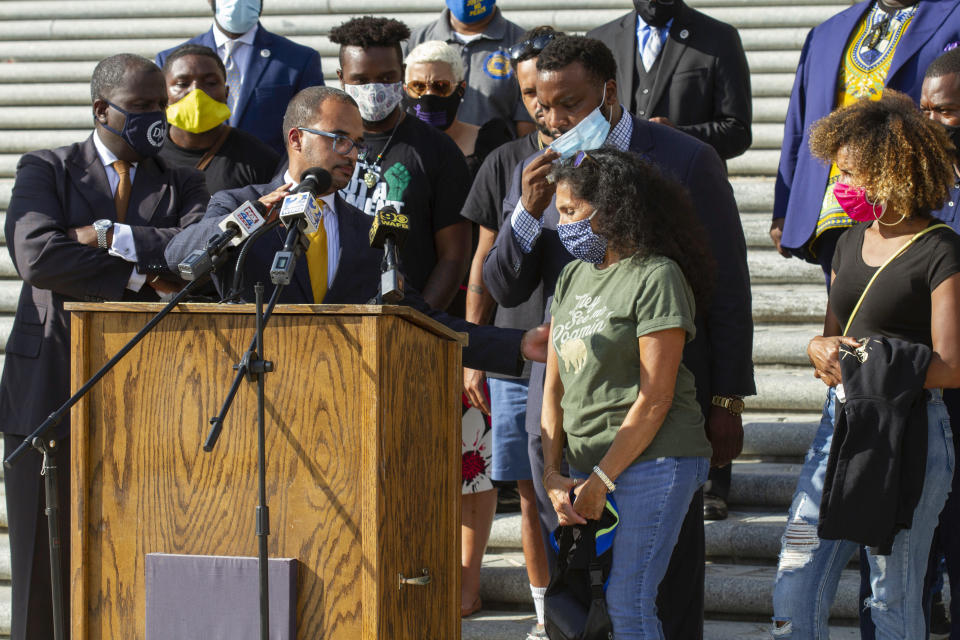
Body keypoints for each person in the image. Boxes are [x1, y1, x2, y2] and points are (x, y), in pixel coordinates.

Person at [482, 35, 755, 640]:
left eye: (569, 105)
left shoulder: (683, 159)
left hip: (655, 416)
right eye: (542, 107)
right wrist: (528, 212)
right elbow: (502, 286)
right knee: (575, 578)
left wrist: (727, 399)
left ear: (608, 94)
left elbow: (728, 288)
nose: (554, 122)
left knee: (660, 584)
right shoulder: (535, 168)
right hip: (564, 402)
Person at [0, 54, 209, 640]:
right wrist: (140, 276)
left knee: (133, 551)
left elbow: (192, 255)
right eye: (142, 107)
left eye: (159, 107)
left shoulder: (183, 180)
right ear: (103, 109)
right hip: (47, 387)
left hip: (146, 389)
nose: (157, 119)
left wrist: (100, 238)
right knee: (42, 567)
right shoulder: (46, 167)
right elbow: (38, 256)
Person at [164, 85, 548, 394]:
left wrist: (516, 344)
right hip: (253, 395)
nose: (352, 154)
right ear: (297, 139)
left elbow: (423, 320)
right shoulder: (239, 205)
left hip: (338, 404)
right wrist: (249, 218)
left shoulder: (369, 232)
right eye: (339, 139)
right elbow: (178, 254)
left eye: (358, 142)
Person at [771, 91, 960, 640]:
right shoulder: (848, 242)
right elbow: (834, 338)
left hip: (912, 433)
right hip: (840, 428)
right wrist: (815, 347)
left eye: (851, 171)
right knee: (796, 573)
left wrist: (863, 359)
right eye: (837, 169)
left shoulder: (941, 249)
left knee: (892, 592)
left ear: (893, 170)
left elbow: (951, 365)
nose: (839, 183)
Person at [589, 0, 752, 521]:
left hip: (686, 205)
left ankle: (712, 480)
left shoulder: (717, 37)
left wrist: (673, 134)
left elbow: (737, 128)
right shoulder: (602, 38)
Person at [543, 148, 713, 640]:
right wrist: (554, 474)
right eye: (559, 212)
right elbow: (553, 388)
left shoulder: (656, 275)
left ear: (610, 209)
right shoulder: (572, 276)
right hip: (586, 468)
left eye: (571, 212)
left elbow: (656, 398)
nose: (562, 224)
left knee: (628, 601)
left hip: (653, 461)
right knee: (595, 603)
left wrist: (599, 480)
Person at [459, 25, 562, 639]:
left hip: (592, 356)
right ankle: (549, 615)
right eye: (527, 94)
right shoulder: (502, 161)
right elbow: (482, 259)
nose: (540, 107)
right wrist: (474, 349)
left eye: (548, 93)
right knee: (529, 493)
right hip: (516, 357)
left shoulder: (605, 157)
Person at [770, 0, 960, 281]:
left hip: (909, 204)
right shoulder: (827, 32)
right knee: (846, 311)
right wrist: (783, 206)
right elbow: (799, 122)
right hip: (834, 207)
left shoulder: (952, 16)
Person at [329, 17, 472, 313]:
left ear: (402, 75)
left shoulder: (438, 151)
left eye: (385, 77)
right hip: (331, 319)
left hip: (406, 321)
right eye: (361, 80)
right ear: (341, 78)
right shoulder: (322, 144)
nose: (374, 89)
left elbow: (454, 257)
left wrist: (418, 324)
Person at [587, 0, 752, 161]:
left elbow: (738, 132)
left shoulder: (720, 38)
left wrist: (678, 136)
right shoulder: (600, 39)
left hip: (688, 182)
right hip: (616, 183)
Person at [155, 0, 324, 154]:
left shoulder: (298, 59)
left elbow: (313, 128)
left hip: (269, 179)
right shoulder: (172, 61)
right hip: (192, 174)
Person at [918, 47, 960, 639]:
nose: (930, 123)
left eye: (944, 112)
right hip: (920, 388)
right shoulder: (914, 181)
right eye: (924, 109)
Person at [160, 44, 279, 194]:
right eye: (182, 84)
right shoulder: (146, 154)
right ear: (163, 94)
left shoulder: (259, 159)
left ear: (226, 93)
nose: (196, 92)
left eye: (210, 83)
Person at [405, 0, 534, 137]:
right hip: (428, 154)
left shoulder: (521, 45)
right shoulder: (416, 41)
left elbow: (527, 125)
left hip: (494, 155)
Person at [404, 39, 514, 177]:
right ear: (406, 90)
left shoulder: (491, 145)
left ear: (460, 90)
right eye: (418, 86)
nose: (429, 95)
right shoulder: (395, 146)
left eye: (441, 86)